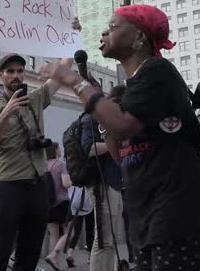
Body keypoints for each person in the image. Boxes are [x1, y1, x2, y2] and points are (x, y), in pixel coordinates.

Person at [40, 4, 200, 271]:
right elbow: (121, 153)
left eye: (113, 26)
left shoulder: (157, 71)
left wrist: (76, 82)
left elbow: (124, 125)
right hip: (146, 209)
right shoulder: (132, 87)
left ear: (139, 37)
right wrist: (102, 109)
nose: (104, 32)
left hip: (177, 207)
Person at [0, 53, 72, 271]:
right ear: (1, 75)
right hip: (10, 184)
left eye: (20, 71)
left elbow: (61, 73)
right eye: (10, 71)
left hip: (38, 183)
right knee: (0, 248)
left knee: (31, 249)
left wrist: (72, 37)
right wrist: (6, 112)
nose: (16, 75)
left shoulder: (35, 99)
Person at [81, 86, 124, 271]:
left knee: (111, 239)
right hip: (101, 184)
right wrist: (112, 141)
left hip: (113, 182)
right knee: (104, 239)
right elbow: (88, 148)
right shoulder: (92, 118)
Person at [43, 142, 72, 270]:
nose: (60, 150)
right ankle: (53, 256)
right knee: (70, 232)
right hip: (62, 203)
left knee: (53, 234)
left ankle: (55, 265)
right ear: (55, 151)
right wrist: (72, 180)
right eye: (59, 148)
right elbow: (66, 184)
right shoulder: (60, 164)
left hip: (48, 204)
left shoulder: (44, 165)